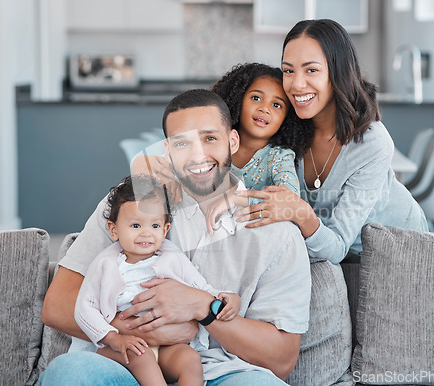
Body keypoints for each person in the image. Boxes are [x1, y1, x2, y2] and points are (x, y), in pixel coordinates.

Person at [40, 89, 311, 385]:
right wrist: (143, 332)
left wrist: (203, 308)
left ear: (232, 141)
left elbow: (282, 359)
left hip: (227, 372)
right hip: (125, 362)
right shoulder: (131, 205)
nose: (198, 156)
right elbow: (57, 305)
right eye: (183, 143)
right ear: (168, 150)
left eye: (210, 138)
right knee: (68, 373)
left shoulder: (277, 232)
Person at [233, 19, 428, 264]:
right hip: (331, 248)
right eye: (288, 70)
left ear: (338, 72)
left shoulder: (372, 143)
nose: (296, 84)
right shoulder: (289, 122)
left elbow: (336, 246)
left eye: (311, 70)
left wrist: (300, 212)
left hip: (399, 246)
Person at [71, 174, 240, 386]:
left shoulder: (172, 257)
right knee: (141, 356)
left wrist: (225, 298)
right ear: (114, 230)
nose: (146, 234)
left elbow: (201, 287)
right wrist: (113, 338)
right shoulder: (106, 263)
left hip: (169, 347)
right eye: (135, 226)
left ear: (165, 229)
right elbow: (84, 308)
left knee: (190, 360)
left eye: (154, 226)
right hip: (123, 347)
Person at [203, 63, 313, 233]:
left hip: (257, 234)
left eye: (276, 105)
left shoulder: (279, 156)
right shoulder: (215, 143)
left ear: (287, 118)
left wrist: (236, 199)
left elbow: (289, 200)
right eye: (256, 98)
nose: (264, 108)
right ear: (238, 100)